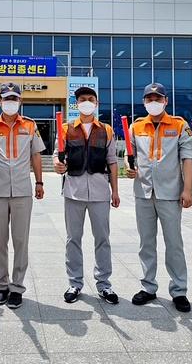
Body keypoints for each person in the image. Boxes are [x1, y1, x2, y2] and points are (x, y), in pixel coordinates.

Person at [125, 83, 192, 312]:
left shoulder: (179, 125)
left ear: (166, 101)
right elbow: (130, 154)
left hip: (170, 193)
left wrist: (187, 189)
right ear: (144, 102)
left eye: (158, 98)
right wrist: (129, 167)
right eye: (149, 99)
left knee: (174, 243)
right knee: (146, 243)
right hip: (143, 191)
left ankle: (179, 290)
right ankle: (148, 286)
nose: (154, 102)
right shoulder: (136, 126)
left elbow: (187, 158)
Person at [53, 86, 120, 304]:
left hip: (100, 191)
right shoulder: (65, 128)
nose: (87, 102)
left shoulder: (106, 130)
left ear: (96, 103)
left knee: (103, 239)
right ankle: (75, 283)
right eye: (82, 99)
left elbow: (112, 161)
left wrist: (115, 191)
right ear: (76, 104)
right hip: (73, 191)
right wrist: (56, 164)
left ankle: (104, 284)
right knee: (73, 239)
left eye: (91, 99)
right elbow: (57, 155)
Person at [0, 81, 45, 309]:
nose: (10, 102)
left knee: (20, 240)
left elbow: (36, 155)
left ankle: (17, 287)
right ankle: (2, 285)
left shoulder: (29, 125)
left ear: (20, 101)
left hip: (22, 191)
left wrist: (39, 182)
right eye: (6, 99)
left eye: (14, 99)